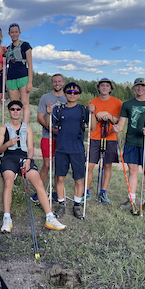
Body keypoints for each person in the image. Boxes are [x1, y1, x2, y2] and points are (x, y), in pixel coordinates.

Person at [0, 100, 66, 232]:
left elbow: (30, 147)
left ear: (22, 111)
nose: (15, 111)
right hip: (9, 158)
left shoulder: (27, 128)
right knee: (8, 181)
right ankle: (7, 218)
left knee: (38, 182)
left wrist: (29, 160)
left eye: (18, 109)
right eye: (13, 109)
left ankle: (50, 217)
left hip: (24, 158)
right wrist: (8, 143)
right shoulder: (3, 128)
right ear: (9, 111)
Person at [113, 78, 145, 213]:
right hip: (131, 142)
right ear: (134, 88)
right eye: (137, 86)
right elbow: (122, 123)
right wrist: (117, 128)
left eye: (143, 86)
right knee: (133, 171)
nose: (140, 88)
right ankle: (131, 199)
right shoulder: (128, 104)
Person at [47, 83, 96, 220]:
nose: (72, 94)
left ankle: (77, 205)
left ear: (79, 95)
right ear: (65, 94)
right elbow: (50, 125)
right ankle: (61, 204)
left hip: (78, 150)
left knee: (79, 180)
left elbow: (92, 127)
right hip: (62, 149)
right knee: (60, 178)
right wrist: (48, 113)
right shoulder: (58, 109)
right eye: (69, 92)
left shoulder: (83, 110)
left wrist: (92, 113)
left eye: (75, 92)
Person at [85, 78, 122, 204]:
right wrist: (95, 115)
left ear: (111, 88)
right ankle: (86, 191)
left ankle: (103, 192)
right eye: (102, 85)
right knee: (89, 166)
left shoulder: (117, 103)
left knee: (107, 165)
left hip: (110, 137)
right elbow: (92, 125)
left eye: (107, 86)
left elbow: (118, 120)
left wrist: (109, 115)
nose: (105, 88)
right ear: (98, 88)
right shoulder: (92, 102)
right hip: (95, 137)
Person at [32, 73, 67, 203]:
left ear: (63, 83)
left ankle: (57, 193)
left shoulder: (67, 98)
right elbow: (39, 118)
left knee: (59, 166)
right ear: (52, 83)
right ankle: (39, 192)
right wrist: (52, 130)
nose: (57, 83)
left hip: (62, 139)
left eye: (59, 81)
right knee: (47, 165)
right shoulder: (45, 97)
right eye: (54, 82)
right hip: (48, 137)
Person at [6, 23, 33, 124]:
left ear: (19, 33)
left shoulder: (25, 46)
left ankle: (24, 127)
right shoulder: (8, 49)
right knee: (14, 105)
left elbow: (30, 64)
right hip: (11, 78)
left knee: (24, 104)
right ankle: (15, 126)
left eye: (16, 32)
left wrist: (30, 81)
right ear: (9, 33)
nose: (14, 34)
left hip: (23, 77)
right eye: (12, 32)